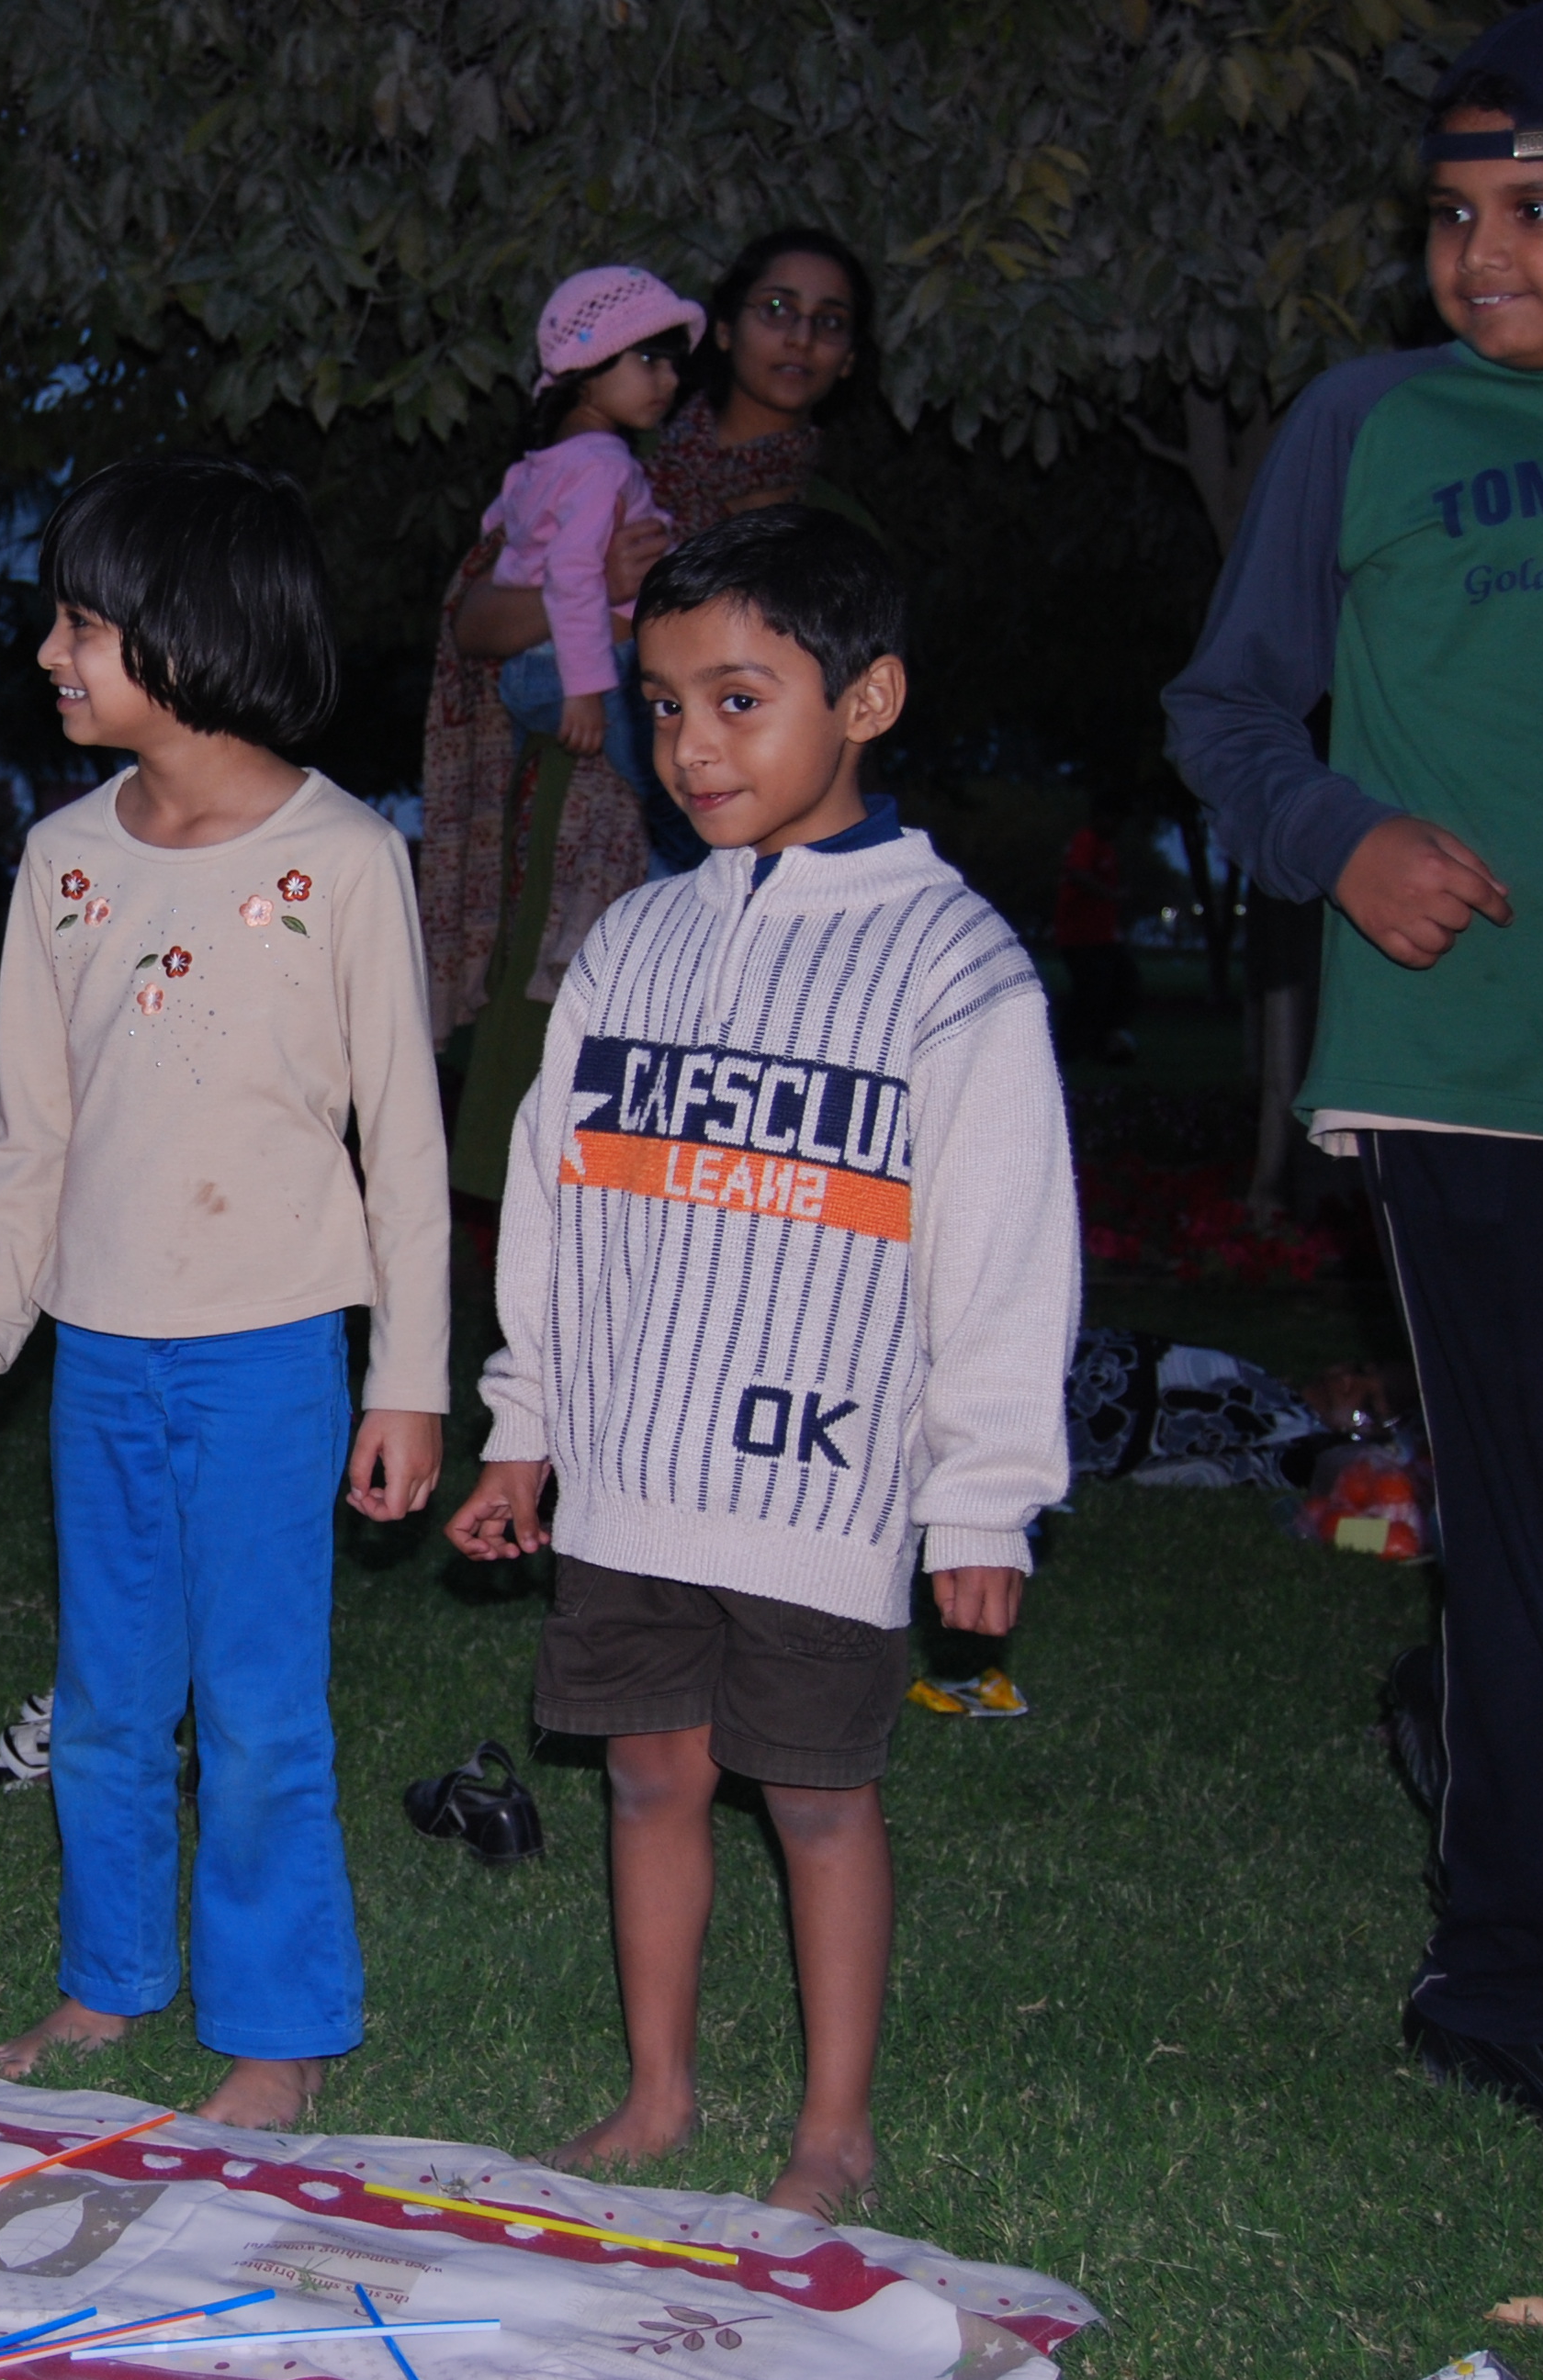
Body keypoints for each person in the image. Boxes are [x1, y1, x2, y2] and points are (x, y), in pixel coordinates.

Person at [446, 507, 1077, 2214]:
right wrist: (525, 1423)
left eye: (738, 700)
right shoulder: (636, 943)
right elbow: (557, 1204)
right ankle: (656, 2095)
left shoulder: (951, 965)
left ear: (865, 699)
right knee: (649, 1770)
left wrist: (983, 1500)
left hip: (821, 1479)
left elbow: (1005, 1248)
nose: (691, 747)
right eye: (662, 706)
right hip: (634, 1472)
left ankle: (831, 2127)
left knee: (814, 1794)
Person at [1163, 0, 1543, 2144]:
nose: (1481, 254)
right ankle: (1516, 1983)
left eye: (1542, 206)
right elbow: (1228, 712)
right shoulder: (1371, 422)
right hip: (1479, 1079)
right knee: (1542, 1540)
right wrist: (1343, 840)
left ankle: (1470, 1733)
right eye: (1452, 213)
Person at [0, 455, 451, 2131]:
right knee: (108, 1694)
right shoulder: (63, 858)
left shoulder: (343, 857)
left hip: (271, 1353)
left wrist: (407, 1381)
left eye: (81, 624)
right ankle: (111, 1974)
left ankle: (279, 2026)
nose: (49, 655)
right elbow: (37, 1127)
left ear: (192, 635)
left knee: (261, 1712)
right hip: (103, 1352)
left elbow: (405, 1145)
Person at [425, 230, 880, 1209]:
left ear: (849, 357)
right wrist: (593, 584)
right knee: (557, 1144)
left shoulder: (835, 525)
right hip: (586, 809)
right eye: (775, 309)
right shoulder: (611, 465)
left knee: (698, 1151)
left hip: (750, 851)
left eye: (829, 322)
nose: (799, 337)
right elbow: (476, 624)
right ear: (722, 331)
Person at [479, 267, 704, 773]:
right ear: (588, 369)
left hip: (532, 666)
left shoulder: (542, 463)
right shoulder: (602, 464)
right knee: (671, 787)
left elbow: (499, 530)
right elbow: (573, 570)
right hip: (585, 667)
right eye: (649, 361)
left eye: (674, 365)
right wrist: (585, 689)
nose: (670, 380)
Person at [1053, 792, 1140, 1063]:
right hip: (1080, 936)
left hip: (1102, 936)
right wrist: (1110, 895)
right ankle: (1069, 1048)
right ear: (1101, 817)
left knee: (1122, 983)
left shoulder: (1105, 847)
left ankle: (1106, 1042)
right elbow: (1078, 874)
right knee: (1090, 992)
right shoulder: (1086, 841)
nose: (1118, 827)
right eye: (1115, 820)